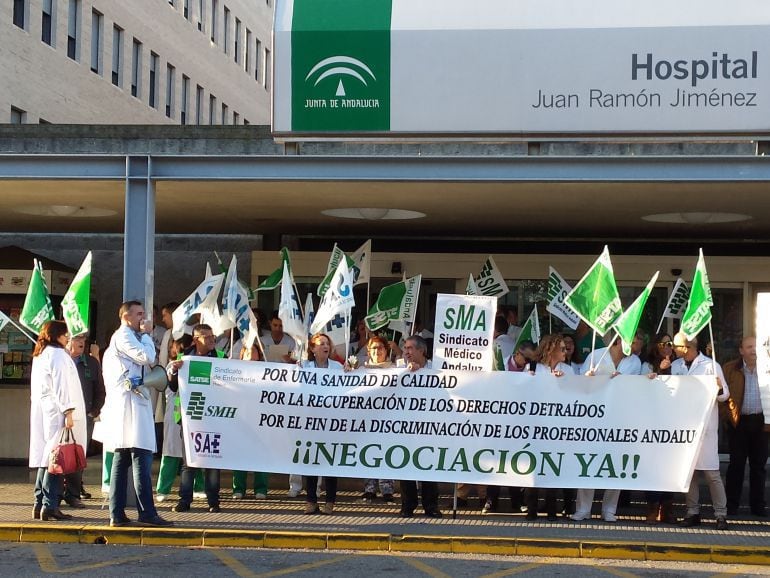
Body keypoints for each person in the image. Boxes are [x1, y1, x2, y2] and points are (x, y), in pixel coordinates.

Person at [98, 301, 172, 527]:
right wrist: (148, 335)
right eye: (139, 314)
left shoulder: (126, 338)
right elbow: (147, 358)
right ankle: (146, 513)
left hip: (129, 407)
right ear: (126, 316)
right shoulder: (124, 337)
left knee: (122, 460)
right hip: (129, 406)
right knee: (140, 458)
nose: (143, 318)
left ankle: (117, 513)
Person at [572, 336, 641, 522]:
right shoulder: (596, 356)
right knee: (588, 463)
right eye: (632, 342)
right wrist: (588, 378)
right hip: (594, 419)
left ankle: (609, 509)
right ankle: (583, 509)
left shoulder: (635, 362)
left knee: (615, 465)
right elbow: (580, 385)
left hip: (620, 419)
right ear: (620, 340)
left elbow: (638, 389)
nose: (635, 346)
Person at [671, 332, 729, 530]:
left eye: (675, 345)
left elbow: (724, 396)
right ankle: (692, 512)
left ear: (686, 347)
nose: (673, 348)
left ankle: (721, 514)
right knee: (690, 473)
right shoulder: (675, 366)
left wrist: (719, 388)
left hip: (705, 428)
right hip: (685, 426)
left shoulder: (712, 366)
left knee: (712, 474)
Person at [29, 321, 86, 521]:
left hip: (45, 410)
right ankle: (50, 505)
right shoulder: (58, 354)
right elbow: (61, 384)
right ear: (57, 335)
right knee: (56, 459)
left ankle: (39, 503)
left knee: (47, 457)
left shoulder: (41, 354)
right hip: (58, 412)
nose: (68, 337)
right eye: (65, 334)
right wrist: (68, 411)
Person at [167, 324, 223, 513]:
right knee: (189, 462)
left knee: (213, 461)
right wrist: (175, 371)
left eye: (212, 336)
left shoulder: (221, 358)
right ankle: (184, 500)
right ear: (195, 339)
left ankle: (214, 502)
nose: (211, 340)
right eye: (206, 337)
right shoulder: (184, 359)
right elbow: (174, 387)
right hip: (190, 417)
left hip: (214, 416)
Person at [526, 334, 572, 521]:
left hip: (558, 428)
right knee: (534, 468)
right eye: (561, 348)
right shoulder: (533, 368)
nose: (565, 351)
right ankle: (532, 509)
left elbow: (577, 393)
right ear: (550, 350)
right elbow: (523, 393)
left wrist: (563, 382)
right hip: (536, 427)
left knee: (553, 467)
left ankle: (552, 510)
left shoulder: (568, 370)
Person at [398, 335, 443, 518]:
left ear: (421, 350)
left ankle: (430, 505)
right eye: (405, 348)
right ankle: (407, 505)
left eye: (410, 348)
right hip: (406, 426)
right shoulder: (400, 367)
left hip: (430, 425)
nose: (406, 352)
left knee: (428, 465)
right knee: (404, 463)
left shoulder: (436, 368)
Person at [723, 336, 767, 517]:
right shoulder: (730, 368)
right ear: (741, 350)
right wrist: (726, 417)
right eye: (749, 347)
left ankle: (758, 506)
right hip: (738, 423)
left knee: (759, 467)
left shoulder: (767, 368)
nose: (753, 350)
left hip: (762, 423)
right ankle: (731, 505)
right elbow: (721, 395)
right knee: (736, 466)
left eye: (756, 346)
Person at [61, 332, 105, 508]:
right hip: (61, 416)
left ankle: (73, 493)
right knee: (58, 455)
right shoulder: (61, 361)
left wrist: (94, 411)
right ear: (67, 340)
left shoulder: (91, 363)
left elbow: (101, 390)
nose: (81, 343)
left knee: (77, 456)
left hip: (83, 418)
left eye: (83, 340)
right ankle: (55, 493)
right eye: (77, 339)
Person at [302, 333, 344, 515]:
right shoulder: (305, 367)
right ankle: (311, 500)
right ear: (312, 349)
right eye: (321, 344)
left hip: (331, 423)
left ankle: (330, 501)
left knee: (330, 463)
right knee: (310, 462)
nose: (325, 346)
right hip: (310, 422)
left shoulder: (337, 367)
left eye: (327, 343)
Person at [641, 332, 677, 524]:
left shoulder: (678, 365)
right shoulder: (646, 365)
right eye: (663, 343)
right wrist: (660, 372)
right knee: (654, 465)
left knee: (670, 465)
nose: (667, 347)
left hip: (673, 421)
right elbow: (642, 390)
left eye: (670, 343)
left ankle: (668, 507)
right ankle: (653, 507)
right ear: (656, 346)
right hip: (653, 421)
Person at [358, 335, 397, 504]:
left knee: (386, 452)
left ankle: (387, 489)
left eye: (380, 348)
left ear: (386, 350)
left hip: (388, 418)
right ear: (368, 351)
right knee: (368, 452)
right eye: (374, 348)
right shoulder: (362, 369)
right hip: (368, 418)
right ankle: (369, 489)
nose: (377, 351)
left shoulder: (395, 368)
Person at [232, 341, 270, 501]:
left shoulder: (267, 372)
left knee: (261, 454)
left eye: (253, 351)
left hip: (260, 419)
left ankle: (261, 488)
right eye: (246, 352)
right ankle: (238, 488)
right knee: (239, 454)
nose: (250, 354)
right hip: (241, 418)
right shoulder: (235, 372)